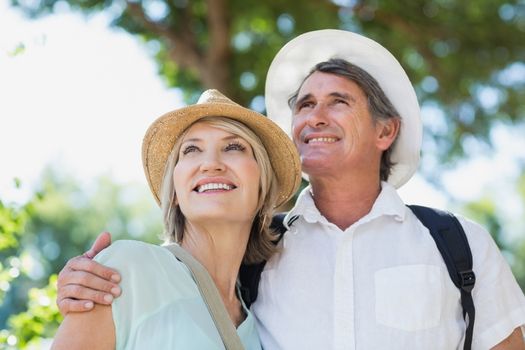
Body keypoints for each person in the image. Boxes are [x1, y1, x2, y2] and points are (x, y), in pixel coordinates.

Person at [55, 30, 525, 349]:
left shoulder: (457, 246)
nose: (314, 116)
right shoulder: (256, 260)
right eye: (304, 104)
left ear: (386, 132)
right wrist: (85, 285)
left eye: (338, 101)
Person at [50, 89, 301, 349]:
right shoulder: (128, 268)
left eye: (233, 147)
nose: (211, 163)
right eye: (191, 149)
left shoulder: (260, 328)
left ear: (262, 186)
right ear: (175, 194)